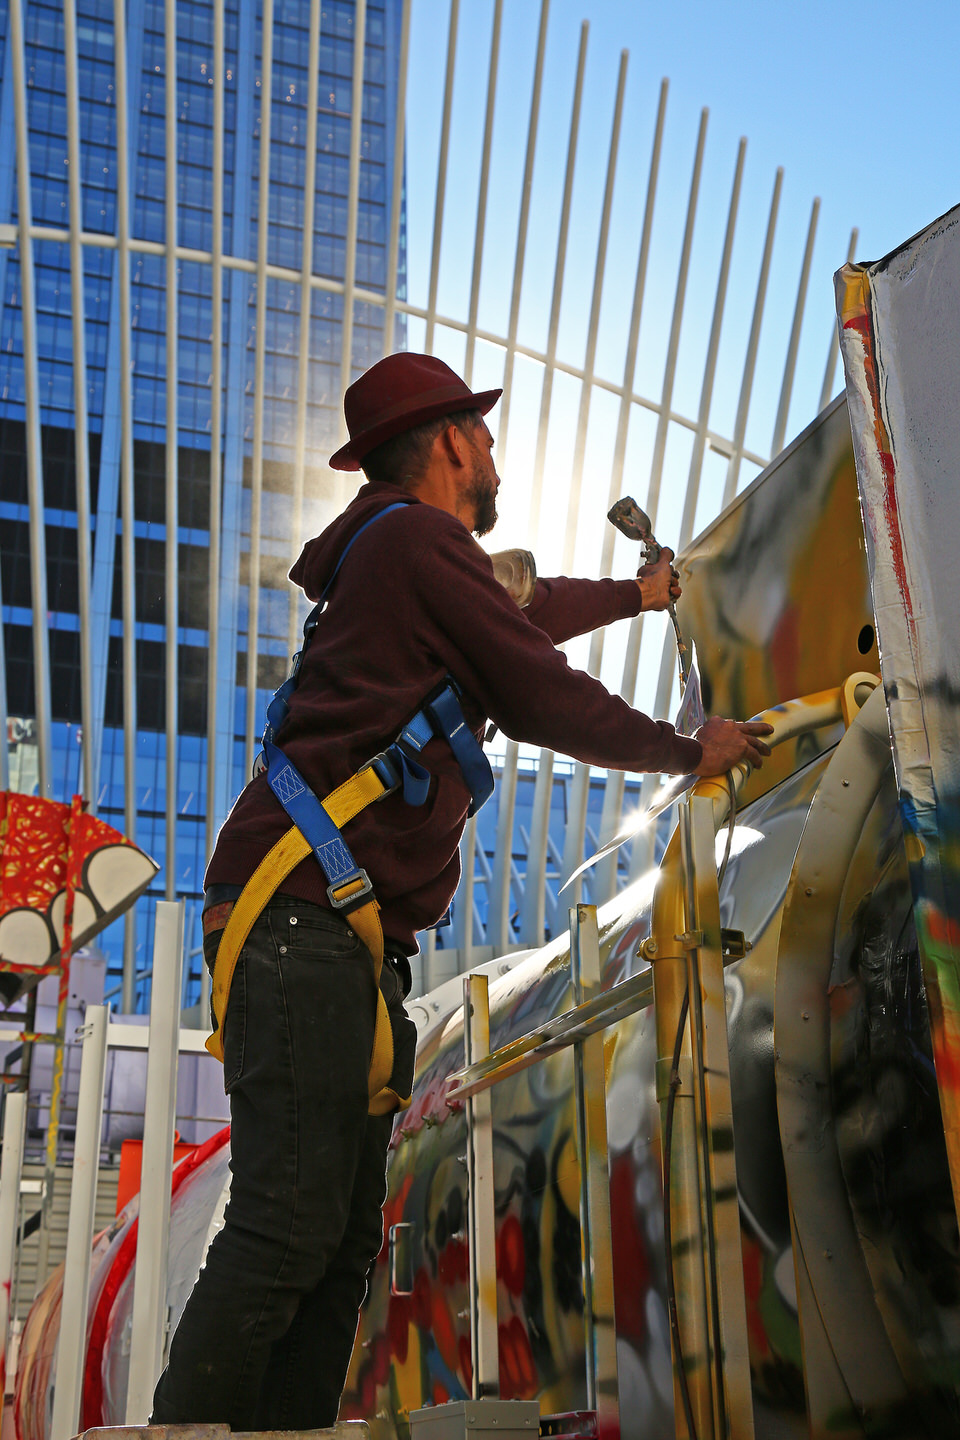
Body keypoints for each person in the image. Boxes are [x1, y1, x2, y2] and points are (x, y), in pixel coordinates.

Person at [151, 352, 772, 1430]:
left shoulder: (403, 560)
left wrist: (638, 594)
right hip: (300, 920)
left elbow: (517, 616)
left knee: (338, 1239)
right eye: (481, 437)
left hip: (324, 930)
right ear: (447, 441)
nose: (492, 456)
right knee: (289, 1224)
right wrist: (689, 750)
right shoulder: (414, 541)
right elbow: (532, 685)